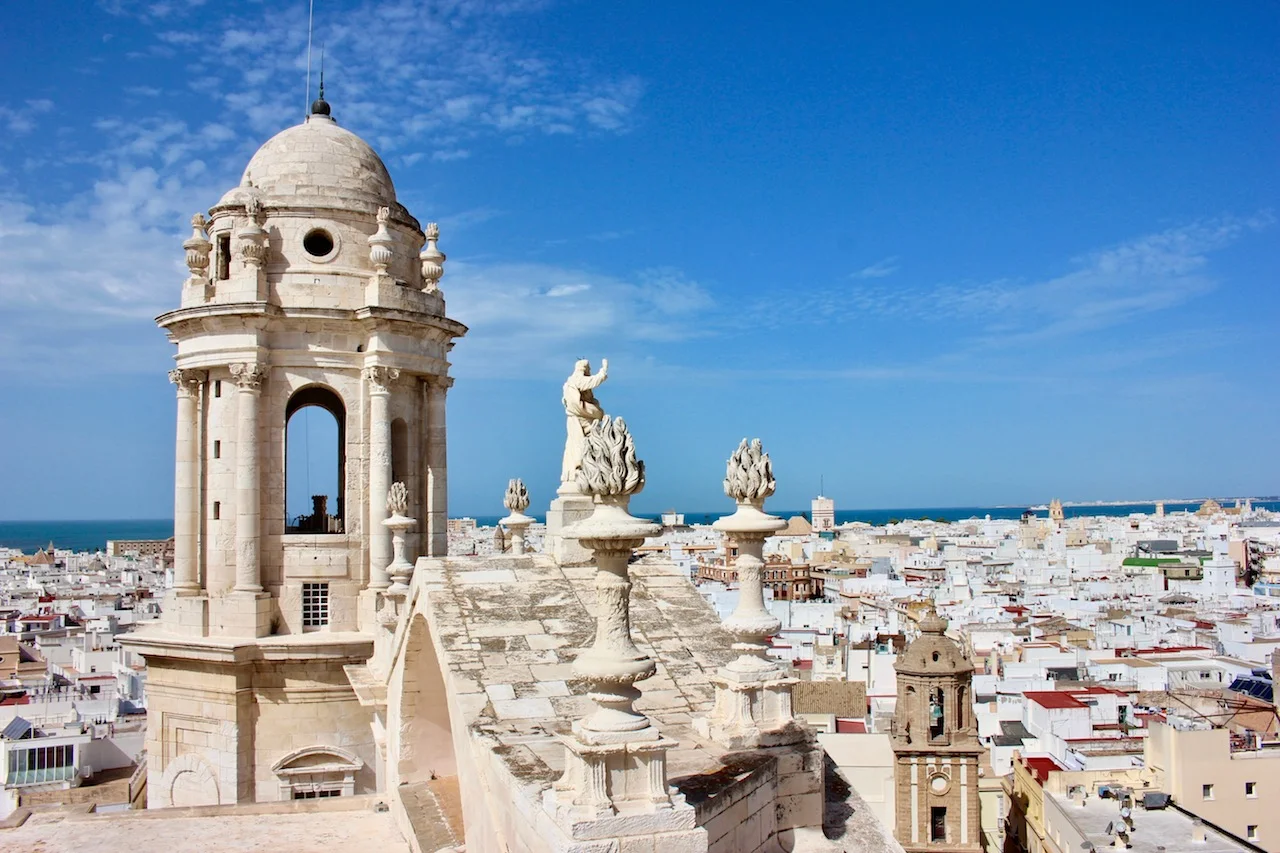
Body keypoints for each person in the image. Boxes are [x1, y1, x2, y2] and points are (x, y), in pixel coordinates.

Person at [560, 358, 608, 486]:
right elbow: (590, 382)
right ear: (584, 369)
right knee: (582, 443)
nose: (589, 371)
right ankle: (581, 470)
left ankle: (583, 470)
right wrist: (602, 372)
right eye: (589, 369)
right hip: (581, 418)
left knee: (581, 443)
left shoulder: (571, 382)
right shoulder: (576, 379)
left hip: (581, 417)